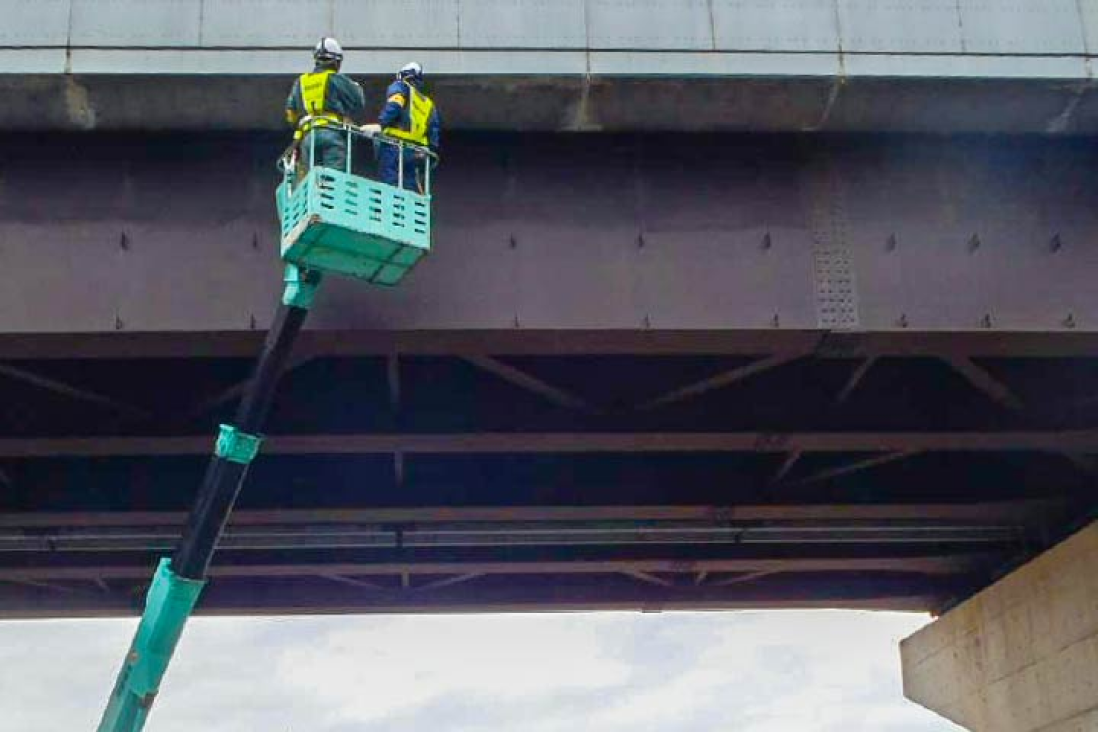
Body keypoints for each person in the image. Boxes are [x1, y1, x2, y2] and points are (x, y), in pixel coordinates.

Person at [284, 38, 365, 172]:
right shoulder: (336, 79)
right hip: (332, 133)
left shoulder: (301, 82)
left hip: (310, 136)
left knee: (314, 178)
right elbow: (359, 101)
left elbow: (291, 114)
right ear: (336, 61)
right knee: (333, 178)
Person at [373, 61, 441, 193]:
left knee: (389, 184)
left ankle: (390, 211)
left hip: (394, 146)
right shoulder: (428, 104)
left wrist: (381, 124)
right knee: (409, 187)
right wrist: (427, 152)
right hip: (416, 152)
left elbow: (395, 105)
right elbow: (433, 133)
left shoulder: (400, 87)